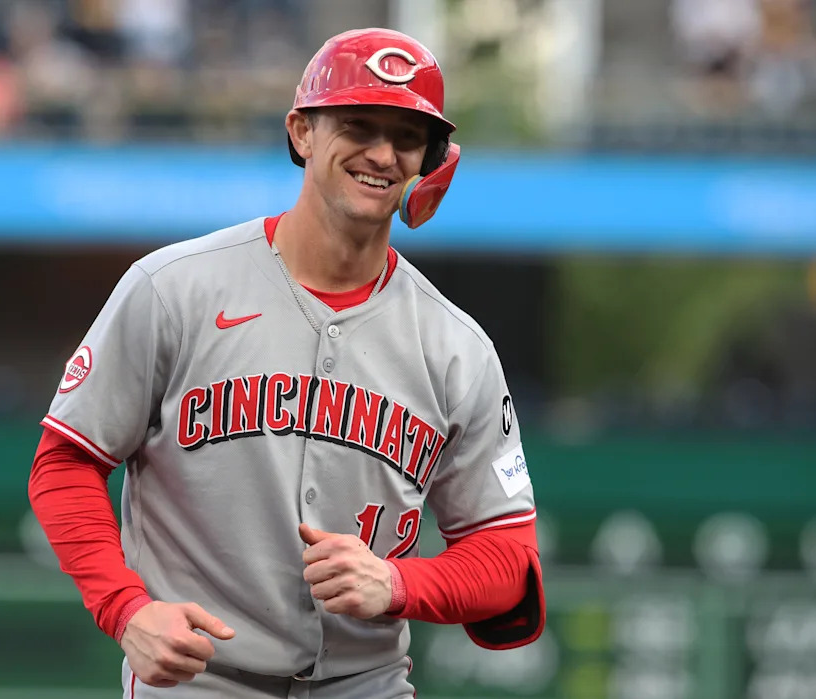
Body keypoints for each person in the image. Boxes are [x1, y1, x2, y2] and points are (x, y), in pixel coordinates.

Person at [28, 27, 545, 698]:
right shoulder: (175, 288)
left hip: (367, 681)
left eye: (407, 137)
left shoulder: (456, 347)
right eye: (359, 125)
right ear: (302, 132)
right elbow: (65, 461)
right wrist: (125, 609)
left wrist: (399, 582)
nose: (382, 154)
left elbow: (507, 556)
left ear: (430, 158)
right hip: (201, 679)